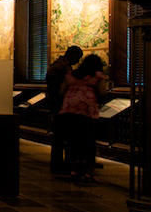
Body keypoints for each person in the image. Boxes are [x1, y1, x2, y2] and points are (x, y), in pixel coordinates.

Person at [59, 54, 108, 182]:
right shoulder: (97, 76)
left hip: (69, 110)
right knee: (89, 141)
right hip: (87, 110)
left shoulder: (72, 75)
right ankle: (88, 171)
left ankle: (74, 169)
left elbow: (61, 91)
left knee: (73, 141)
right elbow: (103, 92)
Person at [46, 46, 82, 174]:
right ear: (71, 55)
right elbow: (61, 89)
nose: (77, 62)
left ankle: (57, 164)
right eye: (77, 58)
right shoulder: (63, 68)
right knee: (63, 136)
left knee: (58, 137)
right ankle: (62, 165)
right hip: (61, 106)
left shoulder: (57, 65)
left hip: (56, 105)